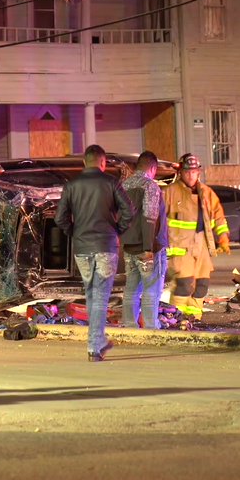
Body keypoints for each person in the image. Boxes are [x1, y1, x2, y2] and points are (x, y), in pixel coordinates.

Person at [55, 144, 135, 361]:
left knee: (92, 293)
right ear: (103, 162)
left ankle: (98, 340)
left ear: (84, 162)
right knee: (99, 294)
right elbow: (129, 211)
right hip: (106, 246)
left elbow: (59, 218)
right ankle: (94, 346)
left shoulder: (71, 186)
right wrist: (117, 230)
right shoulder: (111, 183)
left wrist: (74, 232)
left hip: (82, 248)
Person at [163, 153, 229, 321]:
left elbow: (218, 217)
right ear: (181, 173)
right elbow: (157, 221)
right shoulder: (169, 193)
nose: (191, 176)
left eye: (194, 172)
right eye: (187, 172)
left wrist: (223, 238)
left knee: (202, 286)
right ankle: (175, 317)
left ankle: (193, 318)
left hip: (201, 247)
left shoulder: (206, 193)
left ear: (198, 172)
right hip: (180, 248)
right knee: (184, 285)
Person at [120, 150, 169, 329]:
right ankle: (150, 327)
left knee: (131, 288)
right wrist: (148, 248)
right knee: (151, 289)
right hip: (147, 248)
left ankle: (129, 325)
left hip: (128, 247)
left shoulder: (124, 185)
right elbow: (150, 217)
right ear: (153, 168)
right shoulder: (149, 186)